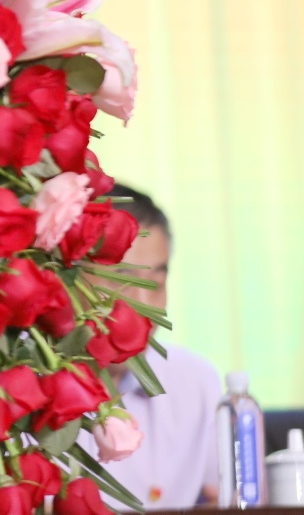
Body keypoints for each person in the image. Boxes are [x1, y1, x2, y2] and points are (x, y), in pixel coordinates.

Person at [101, 183, 223, 509]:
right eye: (123, 281)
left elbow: (226, 500)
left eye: (155, 283)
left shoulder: (194, 381)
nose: (144, 306)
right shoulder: (21, 390)